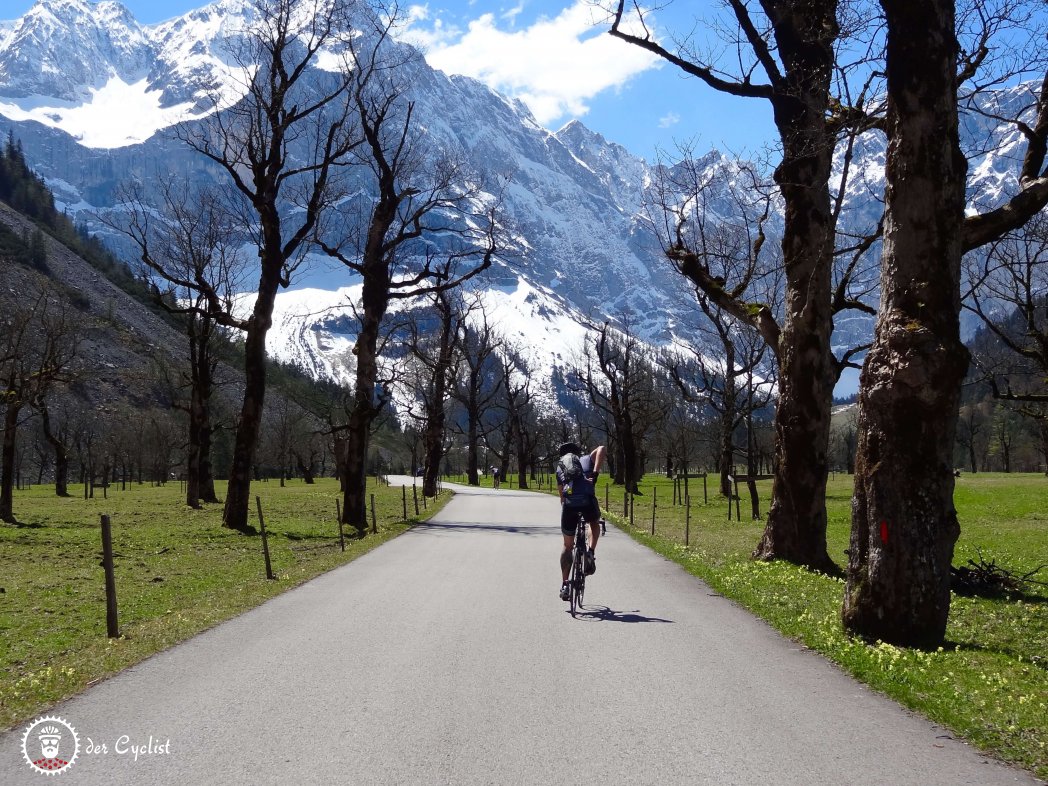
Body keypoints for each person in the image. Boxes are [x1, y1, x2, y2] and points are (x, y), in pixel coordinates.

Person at [555, 441, 606, 601]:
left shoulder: (560, 466)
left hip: (570, 506)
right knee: (593, 522)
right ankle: (590, 552)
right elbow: (602, 448)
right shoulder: (585, 460)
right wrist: (595, 473)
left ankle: (565, 584)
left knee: (567, 546)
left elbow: (562, 498)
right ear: (577, 452)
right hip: (587, 501)